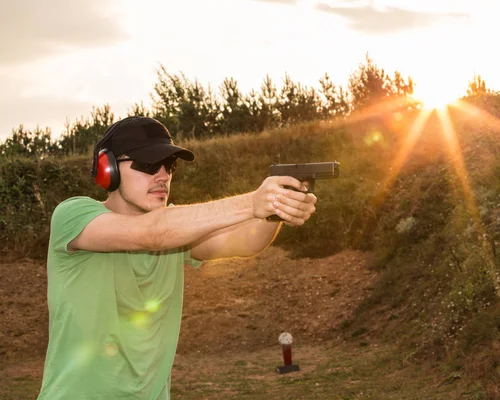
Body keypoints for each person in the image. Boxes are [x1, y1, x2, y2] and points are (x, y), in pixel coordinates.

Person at [36, 116, 317, 399]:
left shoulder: (175, 233)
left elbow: (243, 241)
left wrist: (277, 209)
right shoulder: (73, 216)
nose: (163, 176)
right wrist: (252, 202)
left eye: (169, 166)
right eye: (147, 164)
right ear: (107, 168)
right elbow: (151, 233)